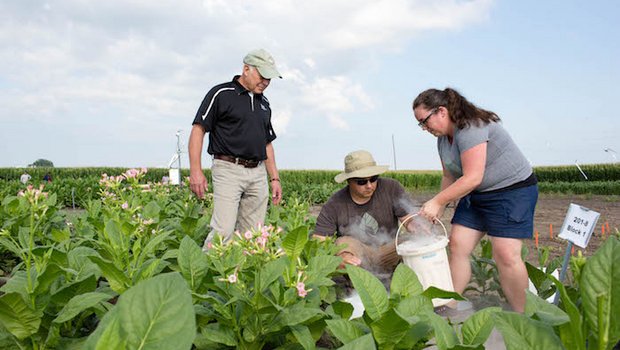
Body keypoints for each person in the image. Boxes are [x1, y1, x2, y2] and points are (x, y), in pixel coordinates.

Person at [412, 88, 538, 313]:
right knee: (458, 244)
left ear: (441, 111)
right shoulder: (442, 141)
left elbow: (472, 177)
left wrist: (437, 201)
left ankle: (525, 318)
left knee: (506, 254)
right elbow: (449, 176)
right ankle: (448, 304)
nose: (424, 128)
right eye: (420, 124)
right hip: (478, 194)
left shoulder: (471, 127)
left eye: (424, 121)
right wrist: (439, 207)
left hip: (511, 191)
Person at [189, 49, 283, 249]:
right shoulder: (221, 94)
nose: (266, 82)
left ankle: (239, 278)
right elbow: (198, 130)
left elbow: (267, 143)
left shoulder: (264, 103)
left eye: (269, 78)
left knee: (252, 235)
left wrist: (274, 178)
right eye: (262, 75)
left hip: (257, 173)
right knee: (223, 231)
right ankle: (204, 276)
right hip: (228, 169)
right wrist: (195, 171)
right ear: (246, 69)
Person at [313, 150, 415, 285]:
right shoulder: (334, 204)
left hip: (389, 251)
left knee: (415, 242)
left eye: (373, 179)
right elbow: (318, 242)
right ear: (349, 181)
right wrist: (339, 259)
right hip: (359, 259)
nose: (369, 185)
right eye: (361, 182)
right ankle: (357, 289)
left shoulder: (391, 188)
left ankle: (414, 287)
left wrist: (417, 226)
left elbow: (409, 220)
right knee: (345, 243)